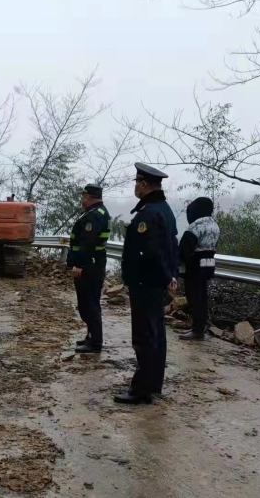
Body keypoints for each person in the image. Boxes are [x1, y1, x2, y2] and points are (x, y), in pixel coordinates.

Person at [115, 163, 178, 405]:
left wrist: (163, 277)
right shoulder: (165, 210)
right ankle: (153, 384)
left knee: (144, 337)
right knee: (156, 335)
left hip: (146, 284)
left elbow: (150, 253)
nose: (135, 187)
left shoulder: (149, 213)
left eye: (136, 182)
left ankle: (141, 390)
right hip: (157, 282)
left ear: (143, 184)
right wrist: (170, 277)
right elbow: (171, 248)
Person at [67, 184, 112, 354]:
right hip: (92, 263)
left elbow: (88, 242)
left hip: (90, 265)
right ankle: (91, 336)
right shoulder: (94, 212)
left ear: (87, 197)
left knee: (89, 304)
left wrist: (79, 264)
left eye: (83, 197)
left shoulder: (95, 215)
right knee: (87, 303)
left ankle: (94, 342)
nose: (81, 200)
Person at [178, 197, 220, 341]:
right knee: (202, 297)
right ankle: (199, 327)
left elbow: (184, 249)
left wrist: (178, 262)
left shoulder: (196, 226)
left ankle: (197, 330)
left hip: (194, 266)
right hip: (208, 264)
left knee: (193, 296)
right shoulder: (214, 225)